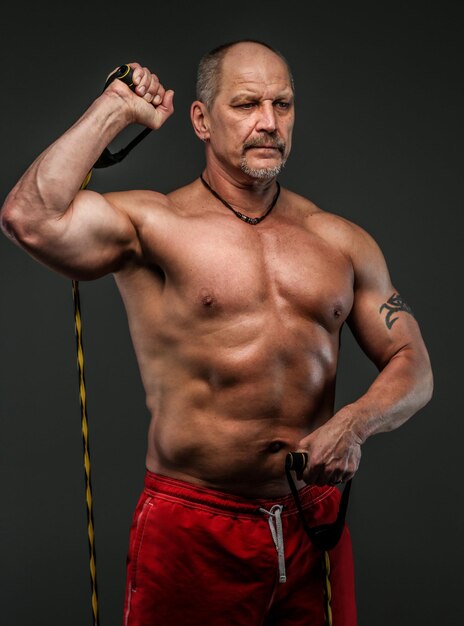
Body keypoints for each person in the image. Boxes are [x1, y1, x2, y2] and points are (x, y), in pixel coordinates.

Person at [1, 40, 433, 626]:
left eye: (283, 105)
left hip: (314, 524)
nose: (268, 122)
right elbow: (30, 217)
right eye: (247, 104)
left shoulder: (340, 241)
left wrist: (355, 424)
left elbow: (414, 362)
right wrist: (116, 108)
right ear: (201, 120)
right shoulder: (155, 223)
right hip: (192, 527)